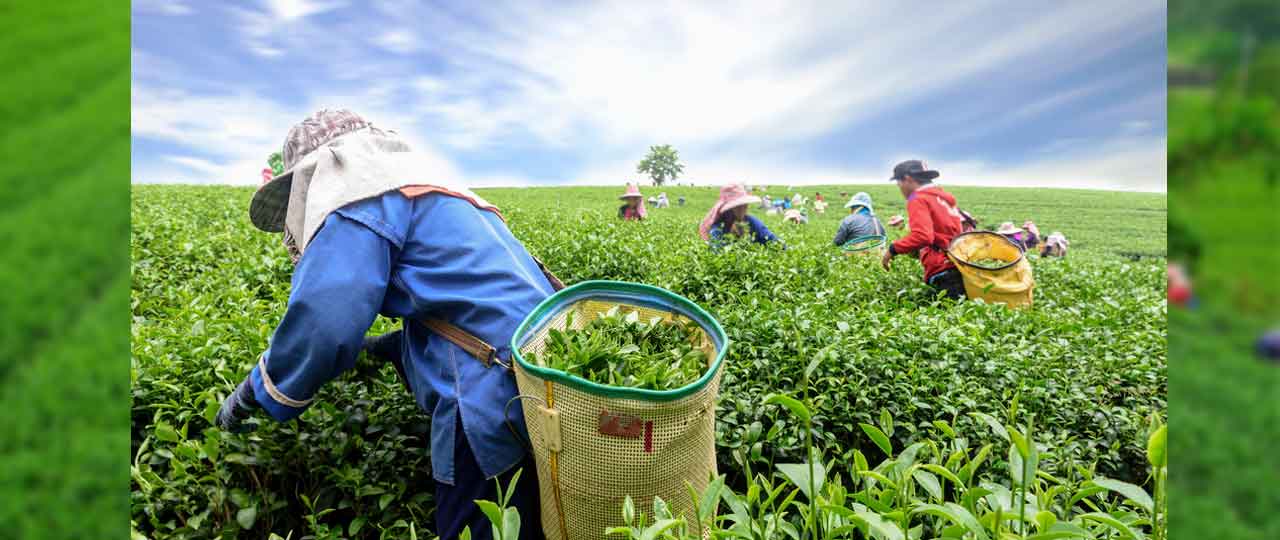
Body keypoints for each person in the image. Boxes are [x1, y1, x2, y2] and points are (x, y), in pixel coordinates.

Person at [214, 109, 550, 540]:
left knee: (479, 525)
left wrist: (257, 389)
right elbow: (468, 302)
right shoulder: (436, 193)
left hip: (485, 395)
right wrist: (390, 347)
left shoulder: (359, 194)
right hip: (539, 379)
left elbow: (324, 322)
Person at [881, 160, 966, 300]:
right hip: (958, 262)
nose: (900, 188)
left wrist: (892, 249)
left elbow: (923, 236)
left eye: (899, 183)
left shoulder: (918, 198)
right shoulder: (943, 198)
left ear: (907, 179)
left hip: (941, 267)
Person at [699, 183, 781, 249]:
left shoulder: (752, 222)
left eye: (744, 204)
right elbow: (716, 251)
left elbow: (774, 241)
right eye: (738, 205)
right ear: (728, 208)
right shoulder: (718, 227)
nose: (743, 208)